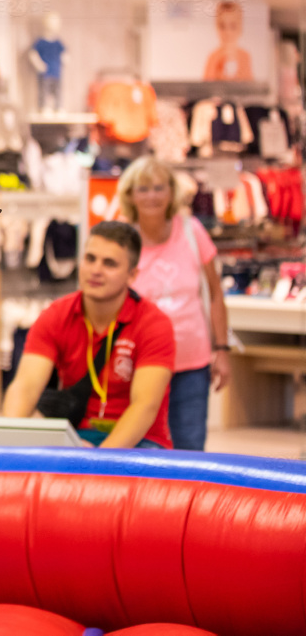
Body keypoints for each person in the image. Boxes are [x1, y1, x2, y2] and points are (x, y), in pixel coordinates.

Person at [3, 221, 176, 449]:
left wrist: (97, 461)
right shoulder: (56, 315)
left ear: (132, 275)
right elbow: (25, 387)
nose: (96, 270)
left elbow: (144, 406)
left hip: (139, 440)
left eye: (109, 263)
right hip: (76, 433)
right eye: (90, 258)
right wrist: (8, 443)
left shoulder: (154, 324)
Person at [118, 156, 231, 450]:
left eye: (159, 187)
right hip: (138, 364)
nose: (152, 196)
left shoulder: (193, 231)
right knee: (141, 446)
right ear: (130, 194)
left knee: (190, 448)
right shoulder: (122, 239)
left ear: (171, 192)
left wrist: (222, 349)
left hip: (192, 363)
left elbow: (216, 294)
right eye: (143, 188)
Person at [203, 0, 253, 82]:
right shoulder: (213, 57)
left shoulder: (245, 56)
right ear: (217, 27)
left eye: (232, 26)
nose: (227, 32)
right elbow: (206, 85)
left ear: (240, 28)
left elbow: (250, 87)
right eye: (222, 26)